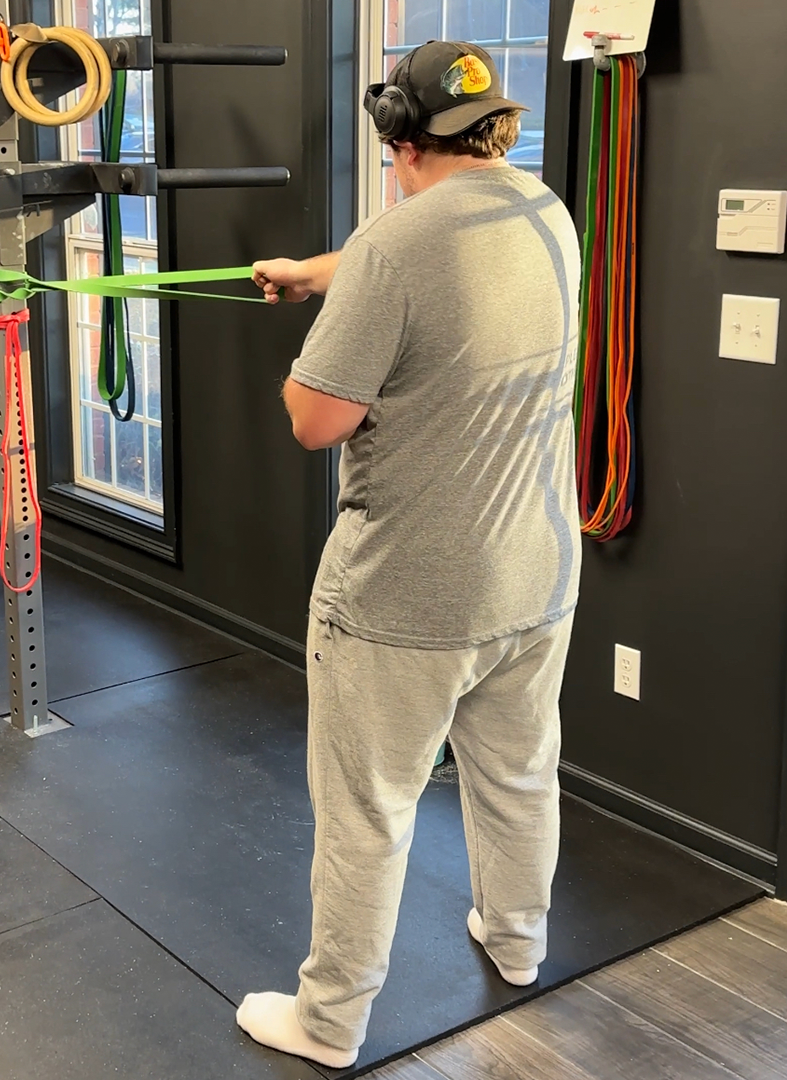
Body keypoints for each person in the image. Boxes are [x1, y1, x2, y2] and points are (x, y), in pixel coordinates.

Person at [235, 40, 582, 1069]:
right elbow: (424, 256)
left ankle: (327, 1024)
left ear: (399, 141)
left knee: (368, 814)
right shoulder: (545, 209)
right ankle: (518, 943)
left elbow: (316, 420)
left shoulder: (396, 244)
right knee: (518, 774)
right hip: (536, 575)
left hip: (403, 598)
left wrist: (323, 339)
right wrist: (318, 275)